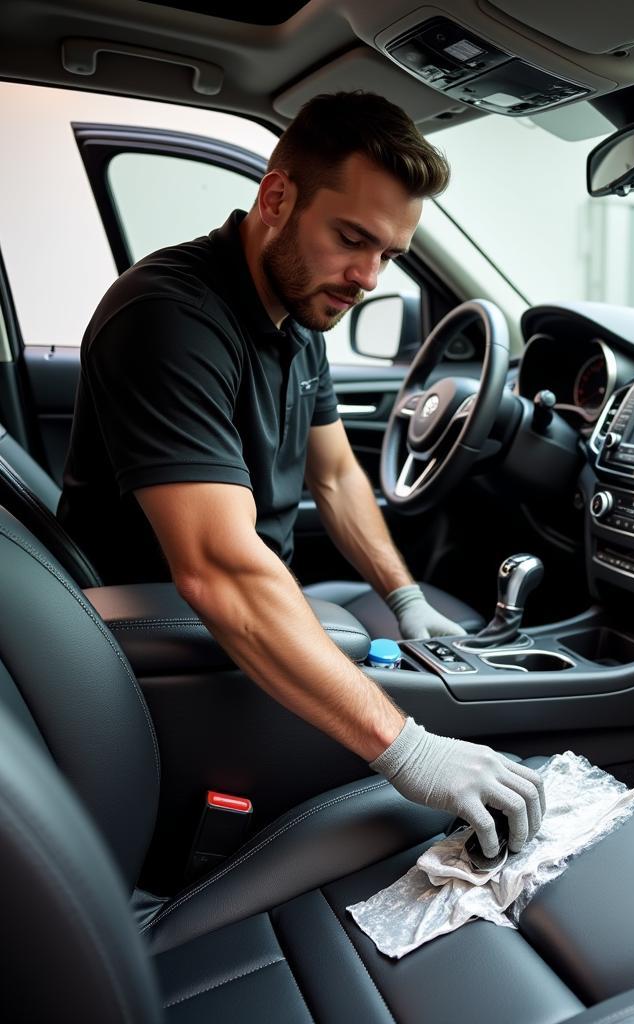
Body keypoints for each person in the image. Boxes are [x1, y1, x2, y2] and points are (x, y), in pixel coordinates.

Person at [56, 91, 544, 857]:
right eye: (353, 238)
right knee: (475, 735)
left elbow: (339, 478)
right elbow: (220, 571)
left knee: (441, 657)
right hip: (180, 658)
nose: (369, 276)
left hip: (243, 617)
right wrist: (412, 751)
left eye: (389, 254)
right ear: (277, 197)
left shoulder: (299, 307)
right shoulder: (169, 319)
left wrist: (406, 599)